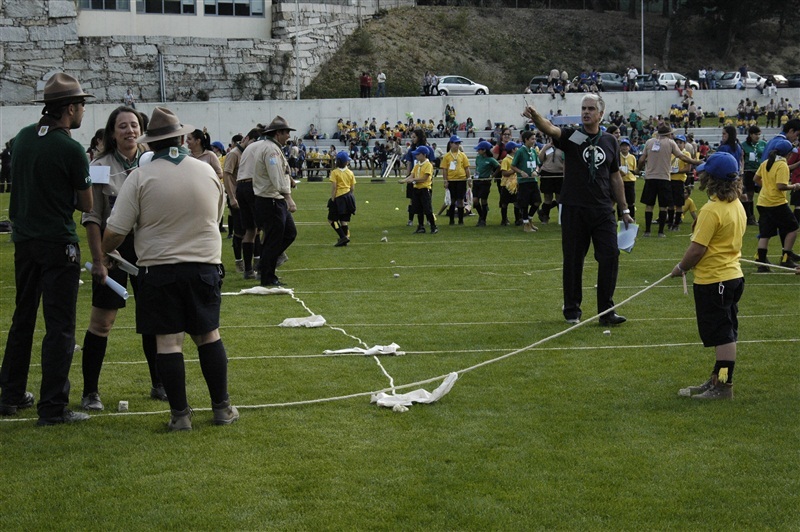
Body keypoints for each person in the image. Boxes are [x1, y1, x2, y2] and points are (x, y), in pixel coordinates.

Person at [101, 106, 238, 431]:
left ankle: (180, 415)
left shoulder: (140, 176)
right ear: (181, 138)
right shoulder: (206, 171)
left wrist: (106, 251)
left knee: (168, 342)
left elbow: (116, 232)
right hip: (204, 266)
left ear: (151, 143)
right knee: (208, 336)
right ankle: (222, 407)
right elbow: (215, 217)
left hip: (159, 270)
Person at [0, 72, 94, 425]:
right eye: (82, 104)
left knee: (22, 319)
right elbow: (86, 204)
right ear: (70, 108)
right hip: (58, 243)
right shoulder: (70, 148)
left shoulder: (23, 137)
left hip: (24, 242)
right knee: (60, 327)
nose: (83, 109)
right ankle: (53, 406)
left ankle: (10, 394)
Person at [79, 105, 166, 411]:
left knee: (152, 321)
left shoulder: (153, 161)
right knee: (102, 323)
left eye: (134, 125)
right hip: (112, 251)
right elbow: (92, 217)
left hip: (148, 253)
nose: (130, 131)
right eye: (122, 126)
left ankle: (160, 384)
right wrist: (99, 258)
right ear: (111, 133)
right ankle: (90, 392)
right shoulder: (100, 165)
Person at [523, 94, 633, 326]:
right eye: (584, 108)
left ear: (601, 114)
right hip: (574, 208)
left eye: (591, 108)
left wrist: (624, 210)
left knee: (610, 256)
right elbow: (551, 129)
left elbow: (615, 177)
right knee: (573, 261)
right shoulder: (574, 135)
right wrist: (535, 116)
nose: (586, 112)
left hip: (603, 209)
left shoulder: (609, 141)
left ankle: (606, 311)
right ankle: (572, 310)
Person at [670, 152, 745, 400]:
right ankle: (716, 380)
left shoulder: (711, 210)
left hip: (716, 280)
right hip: (730, 276)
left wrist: (681, 267)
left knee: (723, 335)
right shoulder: (736, 205)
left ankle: (723, 385)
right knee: (724, 331)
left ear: (711, 178)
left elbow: (697, 249)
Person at [252, 116, 298, 287]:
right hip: (271, 200)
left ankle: (264, 264)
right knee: (274, 239)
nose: (288, 136)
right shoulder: (271, 150)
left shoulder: (272, 148)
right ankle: (267, 276)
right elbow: (276, 176)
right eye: (286, 132)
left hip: (273, 199)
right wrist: (289, 197)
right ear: (278, 133)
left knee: (289, 233)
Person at [637, 125, 701, 237]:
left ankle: (647, 231)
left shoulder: (649, 142)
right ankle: (660, 232)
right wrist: (696, 162)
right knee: (663, 206)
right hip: (664, 178)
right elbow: (683, 157)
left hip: (650, 177)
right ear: (668, 134)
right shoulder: (671, 143)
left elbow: (642, 159)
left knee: (649, 205)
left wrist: (638, 169)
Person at [754, 138, 800, 271]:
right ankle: (786, 256)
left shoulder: (767, 163)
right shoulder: (782, 165)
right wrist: (795, 186)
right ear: (788, 154)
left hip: (763, 202)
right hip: (776, 203)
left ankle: (761, 262)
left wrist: (767, 188)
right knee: (793, 227)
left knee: (765, 233)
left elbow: (756, 179)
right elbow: (781, 186)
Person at [223, 130, 259, 274]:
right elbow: (226, 174)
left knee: (254, 230)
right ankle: (239, 262)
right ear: (246, 138)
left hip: (249, 195)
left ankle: (254, 262)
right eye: (253, 142)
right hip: (237, 195)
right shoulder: (234, 154)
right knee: (239, 232)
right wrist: (231, 197)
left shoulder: (250, 153)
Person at [400, 146, 438, 234]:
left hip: (424, 189)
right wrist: (404, 180)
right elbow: (411, 175)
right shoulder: (417, 165)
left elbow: (424, 178)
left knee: (427, 209)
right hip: (416, 189)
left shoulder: (428, 165)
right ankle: (421, 226)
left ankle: (433, 226)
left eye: (418, 154)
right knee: (418, 209)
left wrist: (413, 180)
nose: (416, 156)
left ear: (424, 155)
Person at [511, 130, 542, 233]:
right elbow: (513, 166)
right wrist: (521, 172)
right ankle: (526, 224)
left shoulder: (533, 151)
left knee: (537, 201)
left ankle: (529, 219)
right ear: (526, 140)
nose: (534, 141)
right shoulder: (520, 151)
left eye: (535, 139)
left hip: (533, 180)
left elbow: (538, 164)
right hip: (524, 182)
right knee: (524, 204)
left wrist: (536, 171)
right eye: (532, 139)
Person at [440, 135, 471, 225]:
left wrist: (469, 178)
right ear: (451, 144)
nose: (457, 145)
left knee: (460, 200)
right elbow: (444, 169)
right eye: (456, 143)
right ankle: (451, 220)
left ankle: (461, 220)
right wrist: (445, 180)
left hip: (461, 180)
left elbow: (466, 168)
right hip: (451, 180)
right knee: (452, 200)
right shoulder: (446, 156)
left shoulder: (462, 155)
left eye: (458, 143)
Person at [328, 151, 357, 246]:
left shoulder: (334, 172)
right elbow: (352, 187)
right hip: (348, 197)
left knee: (332, 220)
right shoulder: (350, 172)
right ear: (346, 162)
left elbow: (334, 187)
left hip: (338, 198)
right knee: (343, 220)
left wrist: (332, 199)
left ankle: (343, 237)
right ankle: (346, 237)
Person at [741, 125, 766, 225]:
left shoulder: (763, 144)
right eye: (756, 134)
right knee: (749, 194)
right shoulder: (744, 145)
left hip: (760, 171)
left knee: (763, 194)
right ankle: (750, 217)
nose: (758, 136)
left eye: (759, 134)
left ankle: (763, 217)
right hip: (749, 172)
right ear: (751, 134)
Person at [472, 140, 500, 227]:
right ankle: (481, 215)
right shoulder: (478, 157)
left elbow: (499, 167)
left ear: (484, 150)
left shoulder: (491, 160)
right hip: (477, 181)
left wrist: (493, 175)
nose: (477, 151)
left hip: (485, 182)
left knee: (483, 200)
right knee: (475, 200)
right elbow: (477, 167)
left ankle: (483, 220)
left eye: (479, 149)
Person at [618, 138, 637, 221]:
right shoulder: (617, 157)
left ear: (629, 147)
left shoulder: (632, 157)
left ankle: (632, 217)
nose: (624, 148)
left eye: (626, 146)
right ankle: (620, 218)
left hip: (630, 181)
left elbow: (634, 169)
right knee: (620, 200)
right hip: (620, 181)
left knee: (631, 201)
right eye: (622, 146)